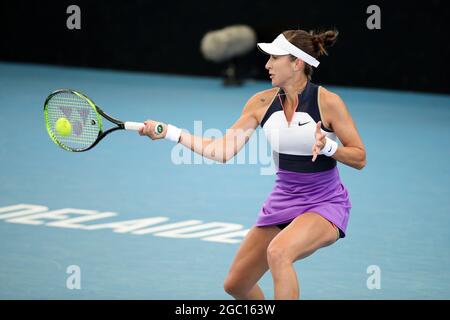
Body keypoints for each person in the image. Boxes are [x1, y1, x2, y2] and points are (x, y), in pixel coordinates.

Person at [138, 28, 366, 300]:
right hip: (283, 201)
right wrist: (171, 132)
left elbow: (359, 157)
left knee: (279, 252)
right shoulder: (260, 103)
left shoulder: (328, 102)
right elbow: (222, 151)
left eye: (274, 58)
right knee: (236, 284)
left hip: (324, 203)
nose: (267, 65)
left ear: (297, 63)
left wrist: (329, 147)